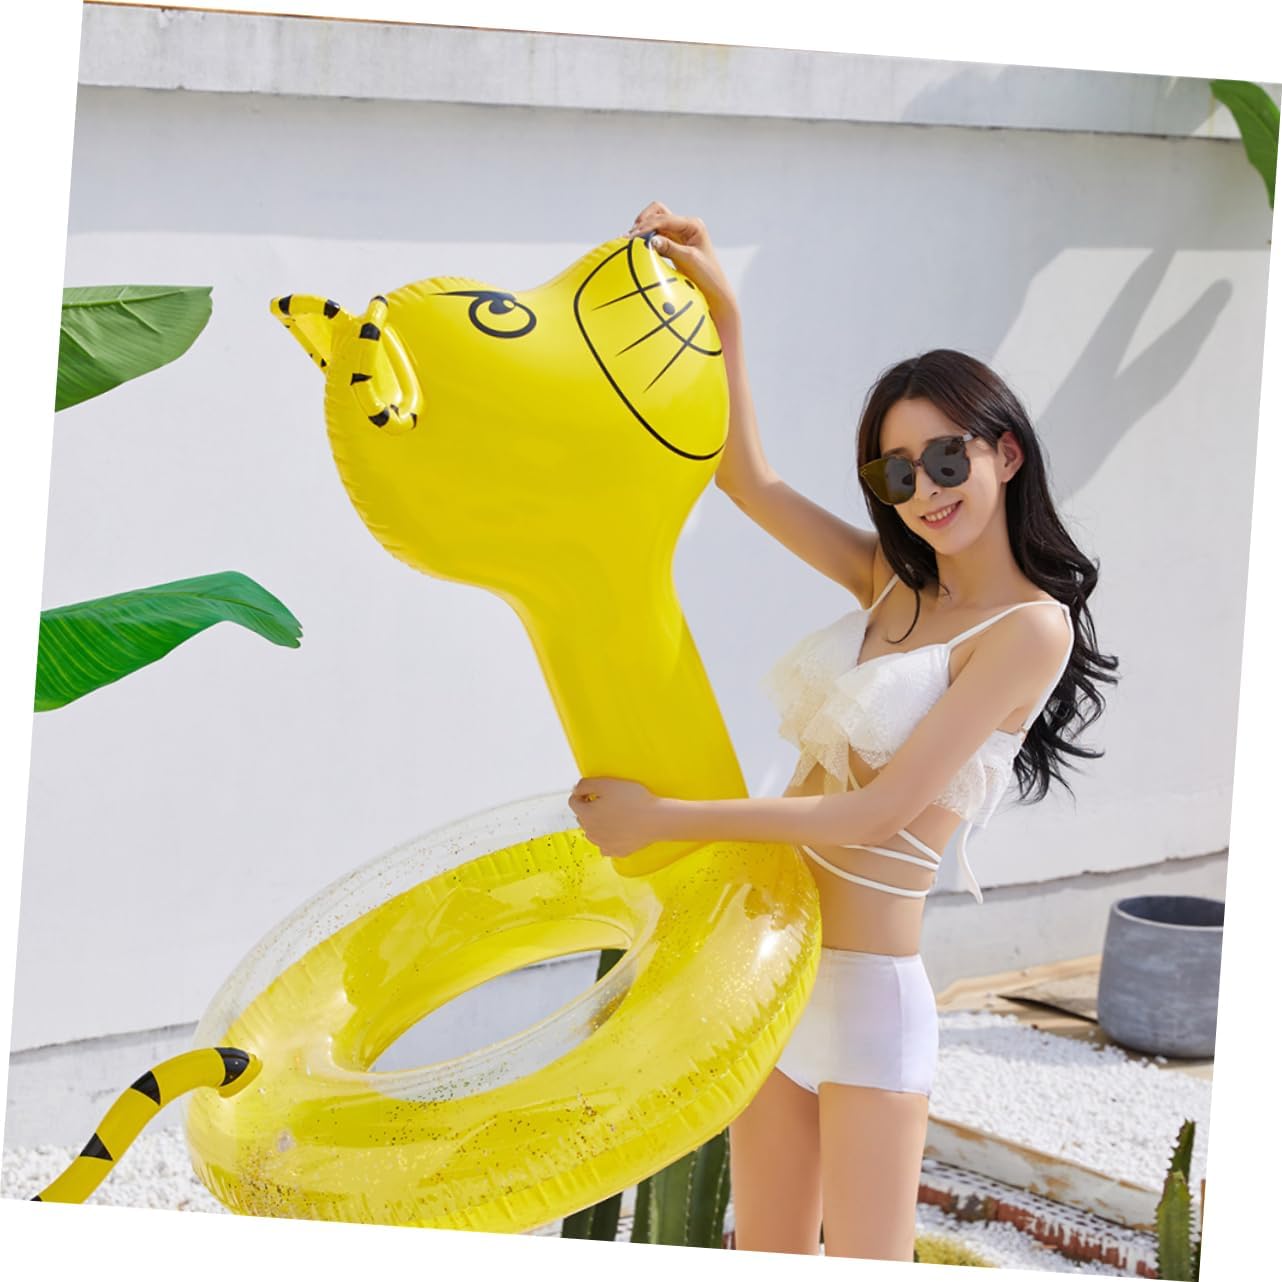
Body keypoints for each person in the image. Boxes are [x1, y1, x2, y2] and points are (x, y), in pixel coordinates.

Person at [568, 201, 1118, 1262]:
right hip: (775, 970)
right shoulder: (889, 582)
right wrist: (727, 316)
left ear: (1004, 453)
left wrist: (663, 817)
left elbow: (878, 812)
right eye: (895, 474)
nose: (924, 491)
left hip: (868, 1004)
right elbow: (746, 479)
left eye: (945, 459)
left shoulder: (1029, 630)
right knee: (765, 1256)